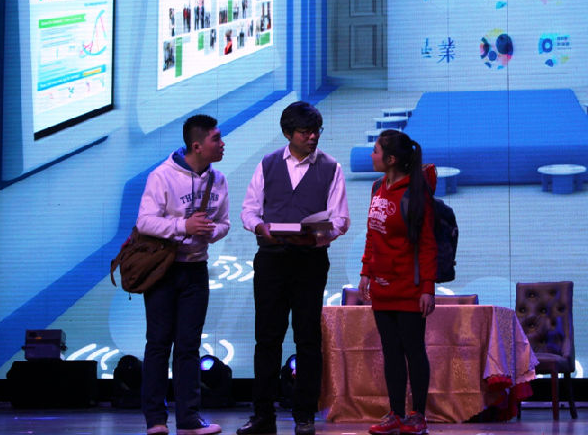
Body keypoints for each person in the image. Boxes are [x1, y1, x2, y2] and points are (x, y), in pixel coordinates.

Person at [239, 101, 350, 435]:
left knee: (308, 338)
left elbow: (341, 219)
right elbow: (249, 211)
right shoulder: (268, 163)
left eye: (316, 131)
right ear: (288, 133)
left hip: (310, 261)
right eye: (305, 132)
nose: (313, 137)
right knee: (267, 338)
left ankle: (304, 415)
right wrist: (260, 227)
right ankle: (262, 415)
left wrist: (319, 236)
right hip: (271, 259)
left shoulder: (331, 167)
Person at [137, 114, 230, 435]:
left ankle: (188, 419)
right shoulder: (162, 176)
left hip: (196, 270)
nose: (222, 144)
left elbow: (224, 223)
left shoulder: (219, 180)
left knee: (189, 346)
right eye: (216, 139)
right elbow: (145, 222)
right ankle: (155, 420)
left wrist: (211, 231)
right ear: (197, 145)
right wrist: (183, 226)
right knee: (158, 344)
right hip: (162, 270)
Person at [359, 130, 437, 435]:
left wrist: (427, 287)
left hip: (409, 288)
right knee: (391, 352)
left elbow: (427, 244)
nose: (372, 155)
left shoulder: (416, 192)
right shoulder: (377, 187)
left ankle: (418, 416)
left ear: (391, 159)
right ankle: (395, 414)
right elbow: (372, 233)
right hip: (381, 287)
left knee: (413, 351)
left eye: (376, 151)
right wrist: (366, 272)